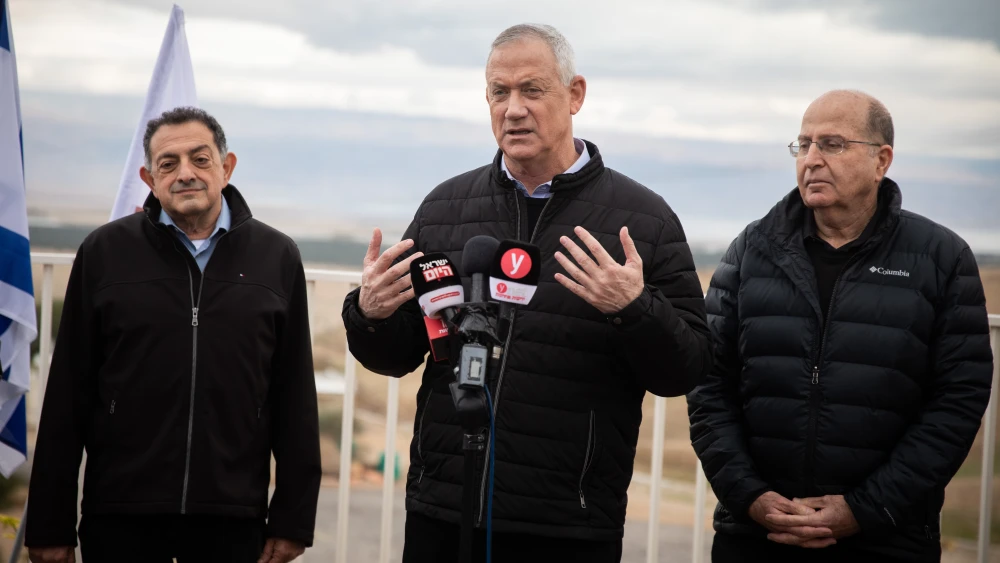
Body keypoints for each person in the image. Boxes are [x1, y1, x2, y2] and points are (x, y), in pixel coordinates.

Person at [342, 24, 712, 563]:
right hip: (444, 508)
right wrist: (369, 313)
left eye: (532, 90)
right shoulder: (446, 208)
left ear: (575, 94)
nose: (513, 109)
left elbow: (687, 368)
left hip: (567, 523)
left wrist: (634, 309)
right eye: (499, 92)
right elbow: (396, 355)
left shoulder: (644, 221)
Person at [687, 90, 993, 563]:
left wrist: (866, 508)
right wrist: (750, 497)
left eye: (831, 144)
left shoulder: (940, 258)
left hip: (887, 538)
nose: (811, 159)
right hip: (756, 535)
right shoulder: (752, 249)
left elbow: (958, 400)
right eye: (802, 144)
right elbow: (709, 384)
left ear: (881, 160)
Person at [26, 107, 321, 563]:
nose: (186, 173)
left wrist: (292, 520)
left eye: (200, 159)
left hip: (233, 521)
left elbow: (294, 396)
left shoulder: (276, 256)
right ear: (148, 177)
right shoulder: (104, 252)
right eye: (168, 163)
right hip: (120, 517)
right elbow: (68, 395)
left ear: (227, 167)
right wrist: (50, 524)